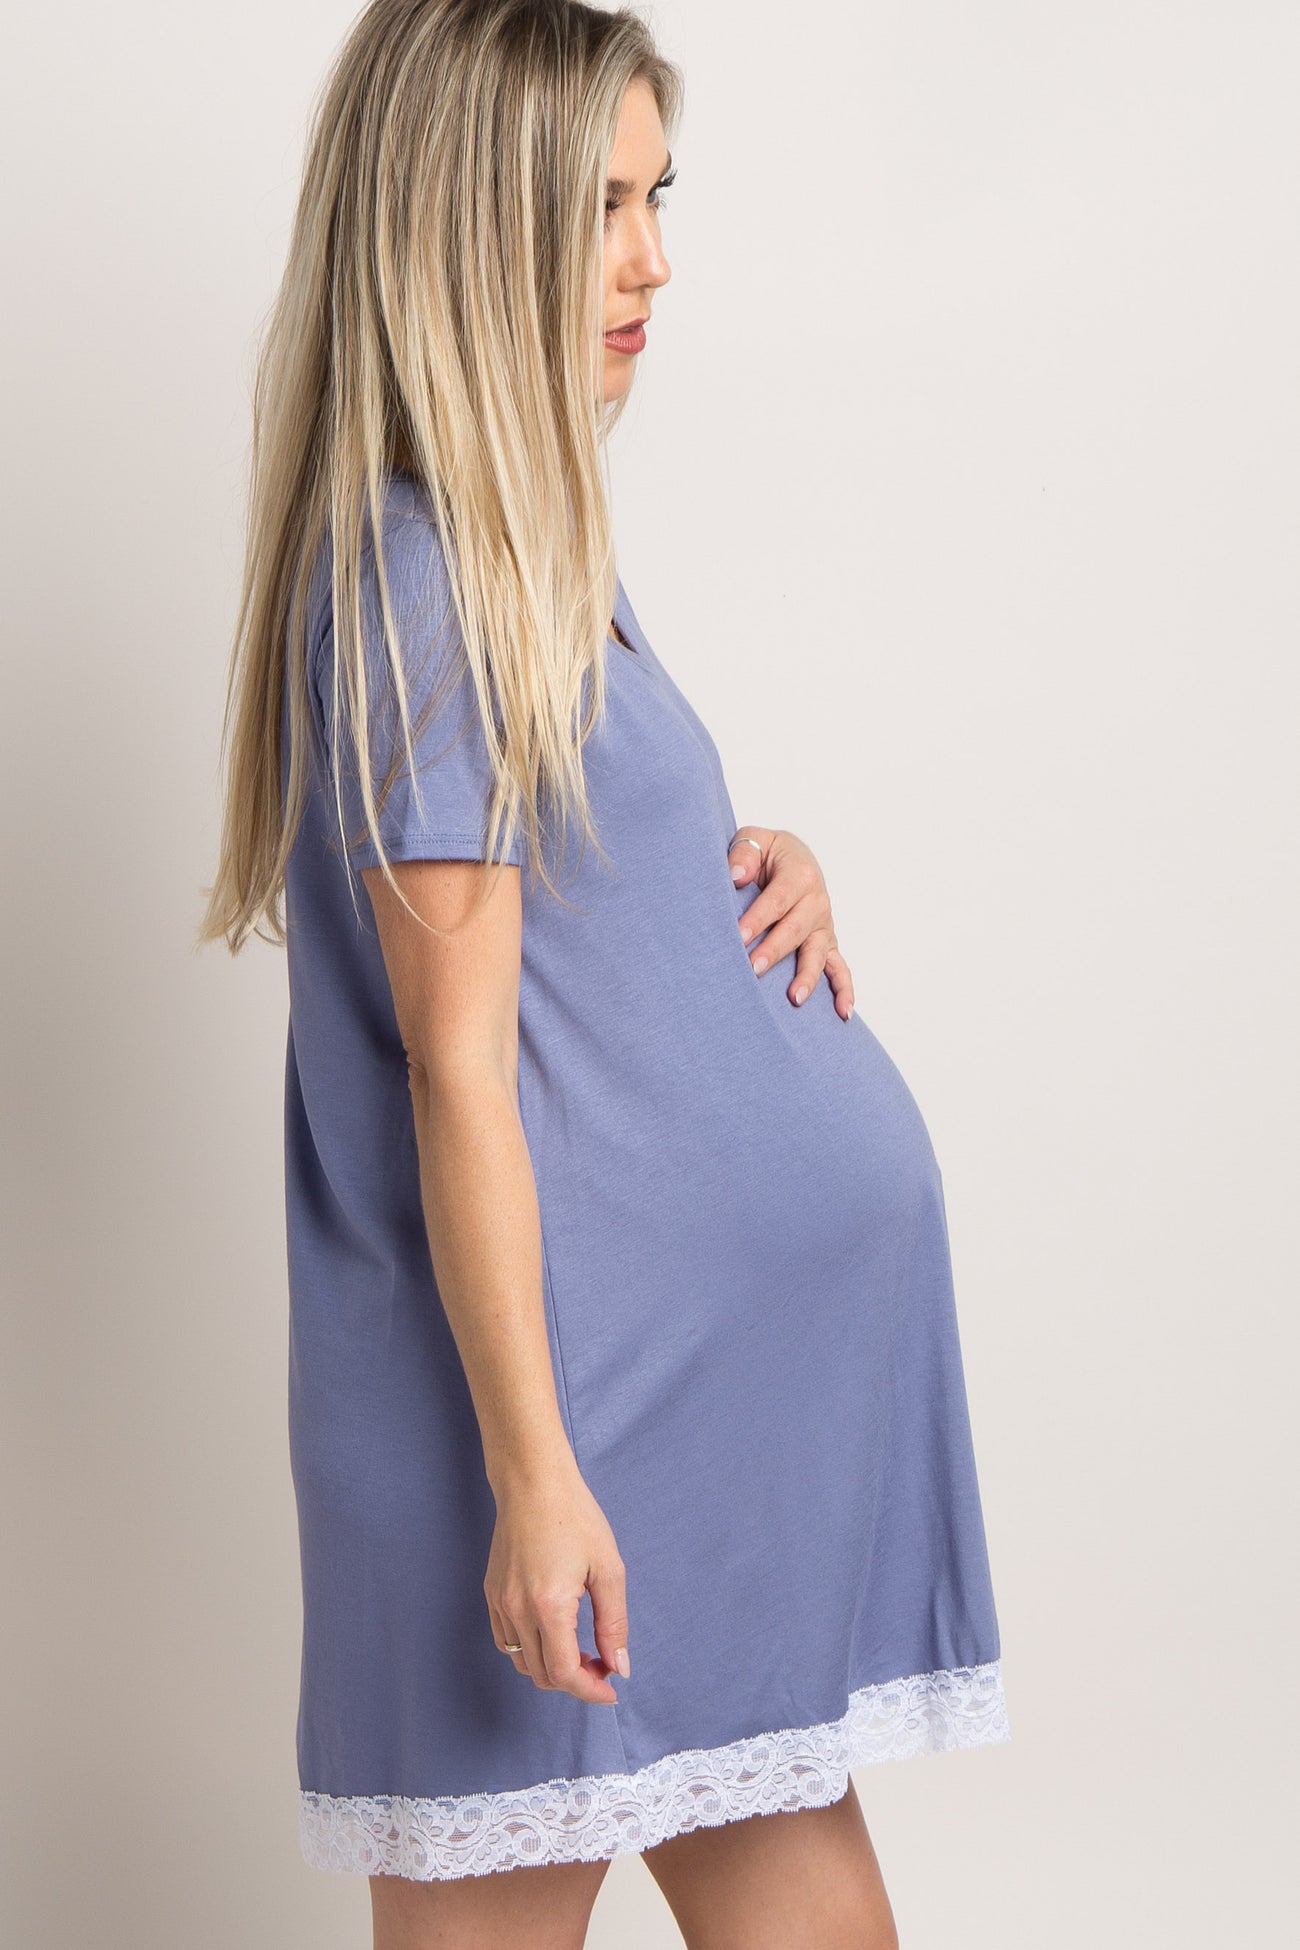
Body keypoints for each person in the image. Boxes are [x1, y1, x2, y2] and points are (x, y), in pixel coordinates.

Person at [197, 2, 1010, 1943]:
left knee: (804, 1895)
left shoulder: (516, 549)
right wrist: (536, 1477)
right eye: (598, 210)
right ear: (463, 229)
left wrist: (733, 859)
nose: (652, 260)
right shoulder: (421, 581)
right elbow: (455, 1067)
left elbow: (562, 919)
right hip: (565, 1423)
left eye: (659, 199)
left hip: (678, 1408)